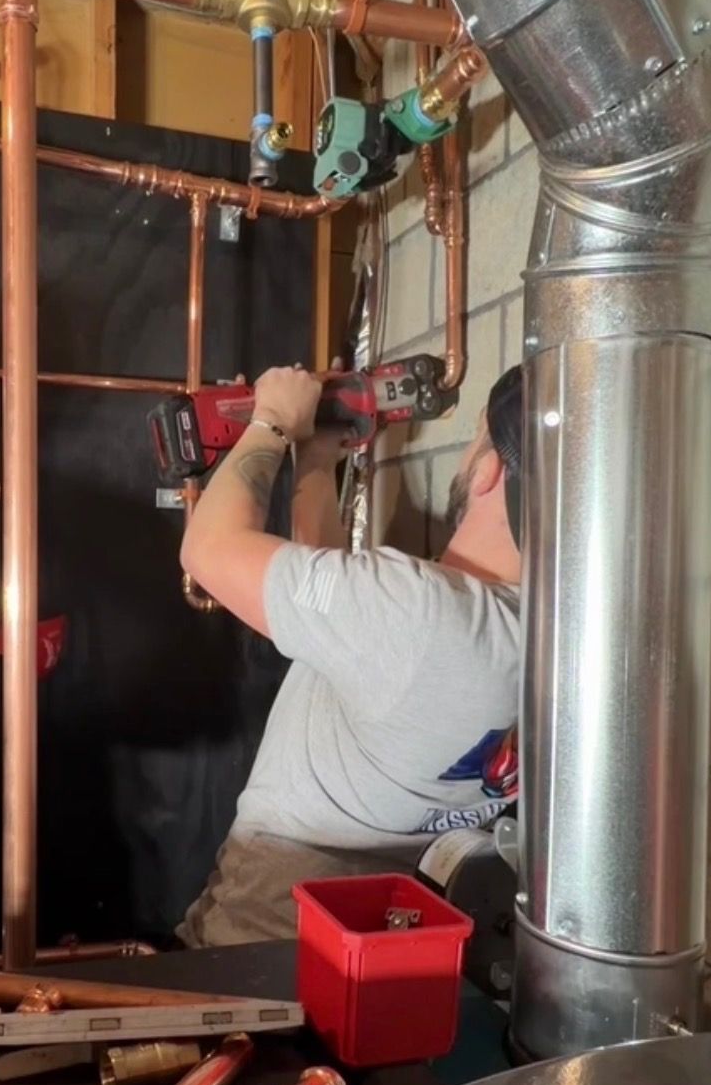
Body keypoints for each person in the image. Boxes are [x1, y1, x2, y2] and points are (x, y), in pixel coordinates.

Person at [178, 361, 523, 946]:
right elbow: (340, 622)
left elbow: (207, 550)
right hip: (374, 942)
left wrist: (272, 422)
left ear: (489, 471)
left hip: (257, 941)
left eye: (476, 439)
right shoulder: (565, 635)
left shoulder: (426, 613)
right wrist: (315, 460)